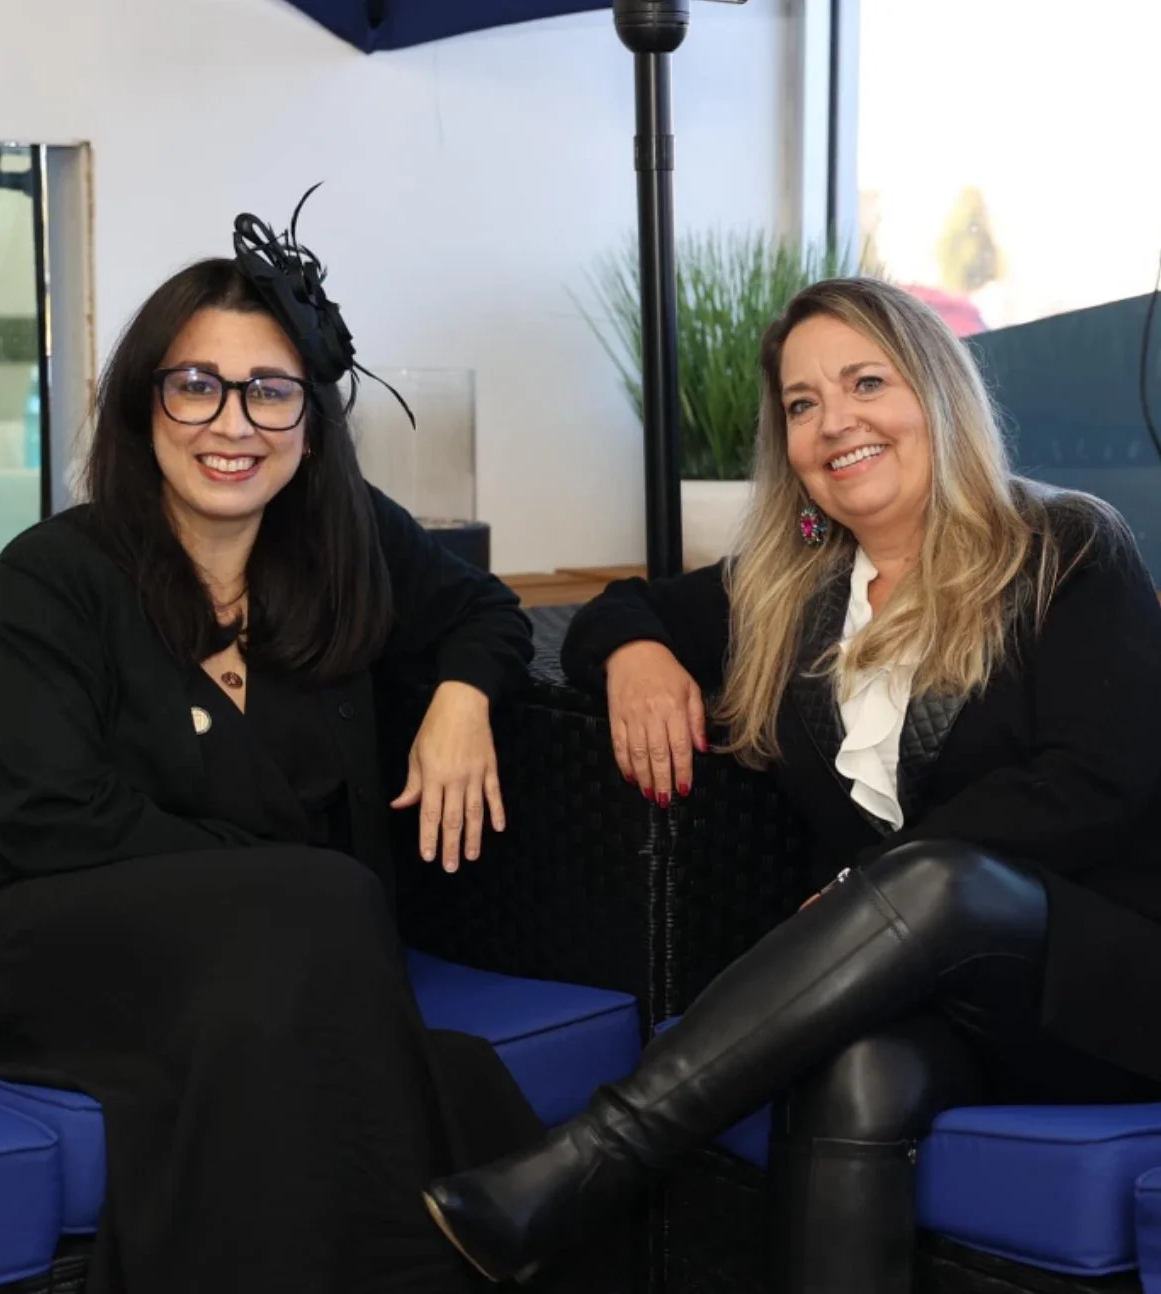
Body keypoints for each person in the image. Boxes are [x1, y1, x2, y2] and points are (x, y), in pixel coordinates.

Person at [423, 277, 1161, 1292]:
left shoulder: (1065, 548)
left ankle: (587, 1161)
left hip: (1095, 988)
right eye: (803, 403)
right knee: (858, 1076)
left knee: (936, 879)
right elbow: (614, 610)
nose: (833, 421)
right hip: (933, 1007)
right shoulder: (795, 590)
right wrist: (640, 656)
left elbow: (1097, 783)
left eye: (866, 382)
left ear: (936, 394)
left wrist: (885, 883)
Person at [0, 192, 541, 1294]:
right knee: (325, 899)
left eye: (269, 392)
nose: (232, 424)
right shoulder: (56, 573)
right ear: (145, 403)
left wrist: (460, 701)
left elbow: (488, 614)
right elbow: (44, 817)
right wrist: (267, 885)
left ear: (309, 418)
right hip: (57, 939)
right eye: (197, 386)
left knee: (435, 1054)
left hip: (284, 977)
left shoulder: (346, 539)